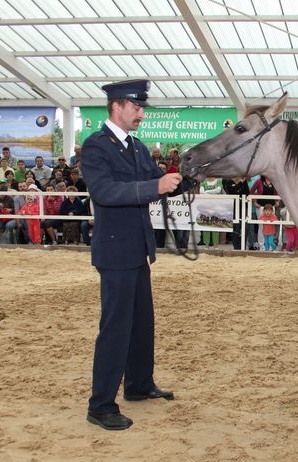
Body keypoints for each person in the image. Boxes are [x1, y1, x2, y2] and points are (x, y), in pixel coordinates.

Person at [81, 79, 184, 431]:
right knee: (115, 328)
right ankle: (101, 404)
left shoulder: (137, 148)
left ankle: (139, 385)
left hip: (138, 250)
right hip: (114, 251)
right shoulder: (96, 147)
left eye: (142, 108)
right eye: (137, 107)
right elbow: (105, 191)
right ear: (117, 106)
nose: (141, 113)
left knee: (142, 323)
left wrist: (193, 173)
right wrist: (155, 186)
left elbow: (162, 180)